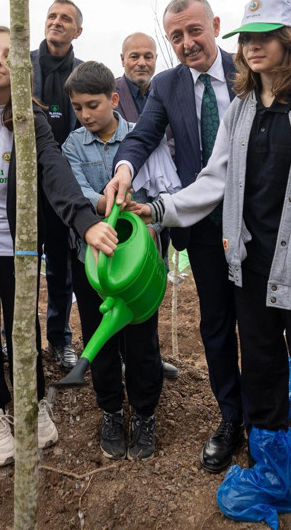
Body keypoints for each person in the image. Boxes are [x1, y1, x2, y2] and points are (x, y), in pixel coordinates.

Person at [130, 0, 291, 528]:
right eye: (246, 39)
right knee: (261, 375)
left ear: (290, 42)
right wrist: (160, 209)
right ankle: (274, 479)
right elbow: (214, 179)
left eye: (265, 36)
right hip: (250, 271)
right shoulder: (240, 108)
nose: (253, 46)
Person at [0, 26, 117, 467]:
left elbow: (55, 171)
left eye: (10, 54)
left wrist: (85, 221)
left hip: (20, 248)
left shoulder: (31, 118)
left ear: (23, 67)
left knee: (22, 327)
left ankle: (33, 401)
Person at [104, 0, 244, 474]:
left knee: (261, 325)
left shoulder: (249, 71)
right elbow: (143, 135)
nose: (187, 43)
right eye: (176, 36)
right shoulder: (167, 85)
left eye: (194, 31)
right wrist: (124, 169)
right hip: (201, 224)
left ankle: (267, 416)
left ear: (216, 25)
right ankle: (231, 418)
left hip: (256, 224)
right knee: (217, 323)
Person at [63, 61, 180, 461]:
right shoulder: (73, 146)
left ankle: (145, 413)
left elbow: (161, 189)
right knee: (100, 336)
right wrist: (106, 203)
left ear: (114, 99)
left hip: (139, 264)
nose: (85, 115)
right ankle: (111, 410)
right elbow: (75, 192)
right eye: (77, 107)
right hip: (91, 263)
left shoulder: (141, 139)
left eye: (93, 105)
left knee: (142, 340)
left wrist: (148, 218)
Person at [115, 32, 177, 380]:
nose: (141, 63)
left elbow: (172, 139)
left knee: (152, 279)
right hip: (122, 206)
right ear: (122, 59)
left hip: (158, 205)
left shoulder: (166, 92)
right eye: (134, 56)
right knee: (123, 281)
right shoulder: (109, 93)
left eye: (148, 56)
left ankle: (149, 357)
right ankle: (123, 356)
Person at [30, 0, 85, 370]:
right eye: (52, 16)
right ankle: (19, 337)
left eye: (65, 19)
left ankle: (60, 339)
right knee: (21, 265)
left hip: (64, 186)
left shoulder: (82, 73)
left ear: (77, 31)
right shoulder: (22, 65)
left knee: (61, 269)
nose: (56, 22)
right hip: (24, 185)